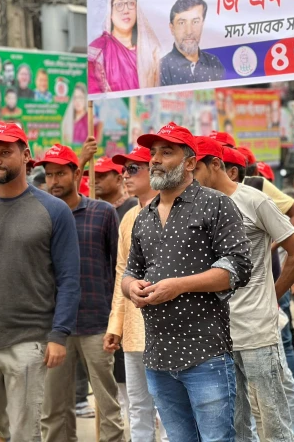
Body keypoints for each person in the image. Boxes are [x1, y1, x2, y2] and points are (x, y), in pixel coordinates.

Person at [121, 122, 252, 442]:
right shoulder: (143, 215)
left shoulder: (216, 204)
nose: (154, 159)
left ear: (190, 162)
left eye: (167, 152)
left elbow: (238, 268)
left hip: (205, 353)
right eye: (153, 153)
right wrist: (131, 288)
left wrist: (179, 285)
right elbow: (129, 272)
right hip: (157, 355)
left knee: (217, 438)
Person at [194, 137, 294, 442]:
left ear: (216, 165)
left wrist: (273, 294)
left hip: (256, 328)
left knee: (273, 419)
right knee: (235, 421)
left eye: (195, 168)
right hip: (217, 333)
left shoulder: (254, 200)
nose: (189, 176)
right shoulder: (198, 206)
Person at [0, 122, 80, 442]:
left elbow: (69, 278)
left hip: (29, 341)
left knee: (25, 434)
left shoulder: (54, 211)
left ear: (26, 155)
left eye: (4, 152)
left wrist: (59, 334)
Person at [38, 144, 124, 442]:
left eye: (60, 173)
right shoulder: (41, 215)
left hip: (96, 324)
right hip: (54, 328)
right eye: (49, 175)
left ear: (77, 173)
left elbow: (119, 268)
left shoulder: (103, 212)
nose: (54, 181)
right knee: (53, 410)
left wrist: (117, 320)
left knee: (108, 405)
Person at [103, 145, 168, 442]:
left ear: (152, 171)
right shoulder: (128, 217)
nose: (124, 176)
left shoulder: (174, 210)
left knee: (170, 407)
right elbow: (121, 273)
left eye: (132, 169)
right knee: (138, 405)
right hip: (132, 327)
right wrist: (115, 325)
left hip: (169, 325)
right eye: (123, 170)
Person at [88, 0, 161, 93]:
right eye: (119, 4)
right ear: (110, 11)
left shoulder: (151, 51)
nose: (126, 10)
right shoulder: (98, 52)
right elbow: (94, 95)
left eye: (131, 3)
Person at [160, 0, 225, 86]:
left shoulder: (213, 63)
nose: (189, 31)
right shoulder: (160, 69)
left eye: (195, 22)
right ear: (172, 28)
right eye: (182, 23)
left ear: (202, 24)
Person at [85, 154, 137, 221]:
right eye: (93, 177)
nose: (95, 181)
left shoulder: (134, 206)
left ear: (118, 179)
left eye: (101, 176)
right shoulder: (93, 209)